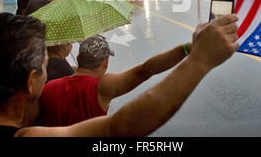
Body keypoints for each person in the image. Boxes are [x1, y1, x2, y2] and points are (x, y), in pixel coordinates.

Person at [0, 12, 238, 138]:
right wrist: (199, 60)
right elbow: (120, 127)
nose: (48, 70)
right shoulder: (26, 137)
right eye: (44, 65)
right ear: (30, 82)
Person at [40, 35, 194, 127]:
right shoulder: (102, 88)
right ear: (106, 63)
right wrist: (186, 48)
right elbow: (146, 70)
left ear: (79, 59)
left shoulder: (49, 87)